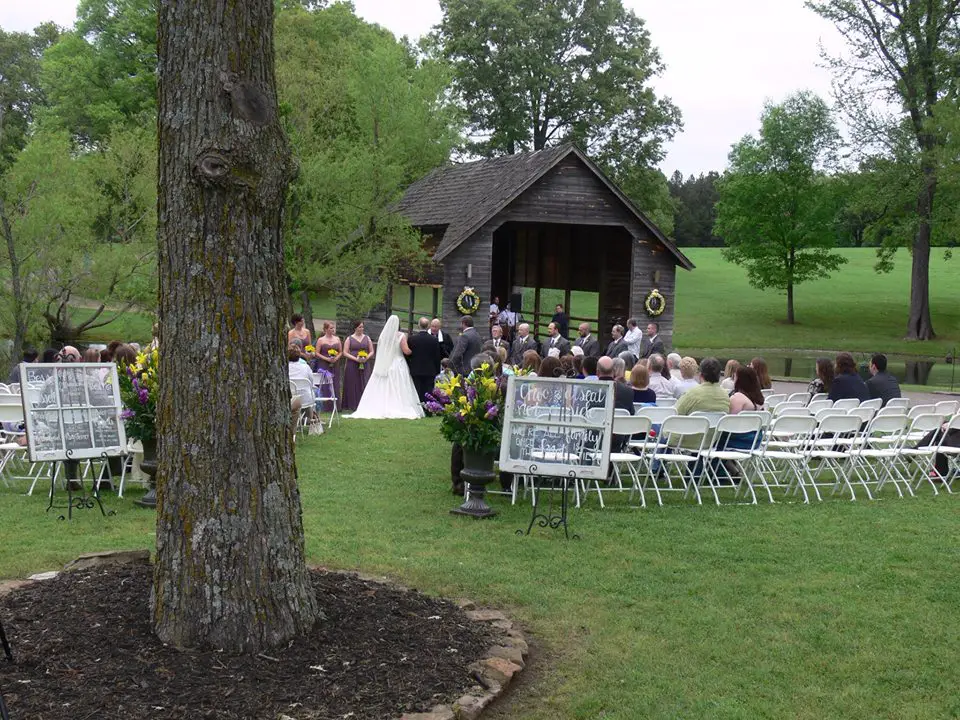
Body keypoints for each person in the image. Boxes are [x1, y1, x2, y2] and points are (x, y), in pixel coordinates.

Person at [349, 315, 425, 420]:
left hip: (385, 364)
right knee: (399, 386)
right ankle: (397, 405)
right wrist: (415, 351)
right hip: (398, 363)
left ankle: (383, 404)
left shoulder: (383, 336)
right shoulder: (401, 336)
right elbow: (406, 351)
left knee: (384, 386)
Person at [406, 317, 442, 404]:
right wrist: (437, 370)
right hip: (430, 370)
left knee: (417, 390)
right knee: (428, 391)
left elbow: (408, 355)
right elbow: (437, 357)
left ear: (418, 325)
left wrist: (410, 366)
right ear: (428, 326)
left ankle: (418, 407)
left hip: (416, 369)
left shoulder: (412, 339)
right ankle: (429, 409)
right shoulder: (434, 340)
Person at [342, 320, 374, 411]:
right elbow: (345, 352)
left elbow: (371, 351)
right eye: (360, 327)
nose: (362, 329)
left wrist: (366, 358)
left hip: (365, 363)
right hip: (352, 363)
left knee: (365, 381)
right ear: (355, 328)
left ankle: (365, 404)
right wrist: (356, 359)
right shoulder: (349, 338)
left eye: (362, 327)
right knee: (353, 382)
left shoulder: (367, 338)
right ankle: (352, 404)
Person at [313, 321, 343, 402]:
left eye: (333, 328)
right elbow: (316, 353)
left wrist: (336, 358)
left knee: (334, 382)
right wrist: (326, 359)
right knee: (324, 383)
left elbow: (341, 351)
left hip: (335, 363)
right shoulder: (321, 340)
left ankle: (335, 403)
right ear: (326, 329)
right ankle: (324, 404)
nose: (333, 329)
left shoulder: (337, 339)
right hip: (324, 364)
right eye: (331, 328)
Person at [287, 344, 317, 422]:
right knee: (311, 393)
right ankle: (311, 418)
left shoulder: (284, 368)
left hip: (290, 398)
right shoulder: (305, 367)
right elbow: (311, 382)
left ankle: (307, 418)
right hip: (305, 398)